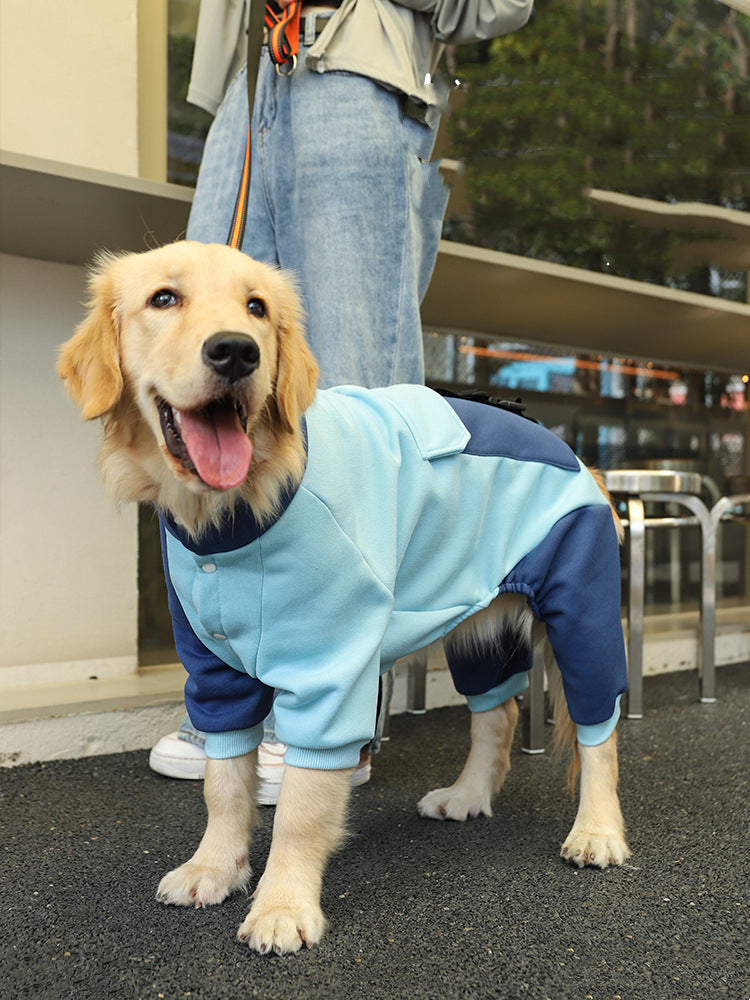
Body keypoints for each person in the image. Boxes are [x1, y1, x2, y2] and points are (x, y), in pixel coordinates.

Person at [149, 0, 534, 796]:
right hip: (252, 81)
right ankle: (238, 703)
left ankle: (332, 714)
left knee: (356, 385)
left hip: (358, 74)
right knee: (204, 363)